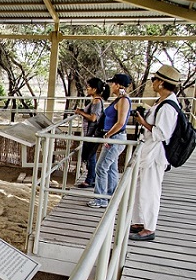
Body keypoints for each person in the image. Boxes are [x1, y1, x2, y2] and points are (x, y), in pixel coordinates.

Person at [129, 65, 182, 241]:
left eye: (154, 80)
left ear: (161, 83)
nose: (152, 83)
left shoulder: (168, 106)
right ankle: (138, 222)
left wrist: (142, 122)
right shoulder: (161, 102)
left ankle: (149, 228)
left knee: (150, 191)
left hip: (155, 155)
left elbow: (161, 133)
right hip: (148, 152)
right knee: (139, 188)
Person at [86, 73, 132, 208]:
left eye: (113, 83)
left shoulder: (123, 100)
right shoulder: (119, 99)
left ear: (118, 85)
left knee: (101, 167)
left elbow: (121, 122)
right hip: (113, 137)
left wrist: (108, 135)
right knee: (111, 167)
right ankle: (111, 196)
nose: (111, 86)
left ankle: (100, 199)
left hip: (115, 137)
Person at [75, 77, 110, 188]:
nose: (87, 89)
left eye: (89, 87)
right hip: (91, 132)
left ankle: (90, 179)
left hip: (91, 132)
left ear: (94, 89)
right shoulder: (97, 101)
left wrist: (80, 112)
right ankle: (91, 178)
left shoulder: (96, 101)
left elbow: (93, 118)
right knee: (91, 155)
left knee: (90, 156)